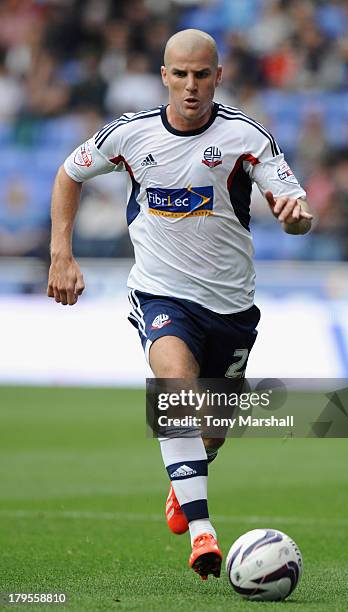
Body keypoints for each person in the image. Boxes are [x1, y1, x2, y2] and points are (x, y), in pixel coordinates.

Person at [47, 29, 313, 581]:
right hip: (161, 293)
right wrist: (61, 254)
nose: (191, 86)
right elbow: (69, 174)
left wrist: (294, 216)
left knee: (211, 429)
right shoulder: (130, 134)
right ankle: (202, 532)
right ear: (164, 76)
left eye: (202, 75)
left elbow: (297, 206)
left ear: (218, 77)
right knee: (176, 393)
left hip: (232, 306)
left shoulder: (247, 137)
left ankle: (187, 475)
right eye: (180, 75)